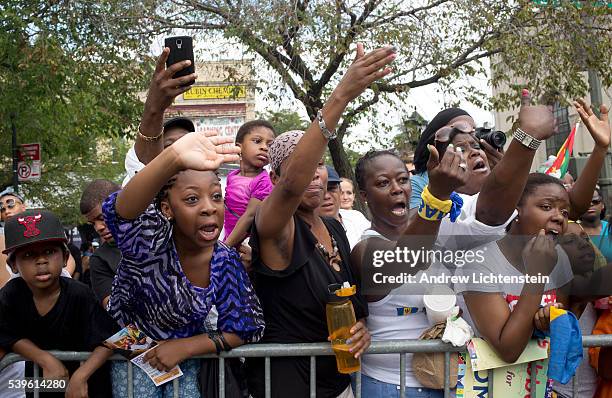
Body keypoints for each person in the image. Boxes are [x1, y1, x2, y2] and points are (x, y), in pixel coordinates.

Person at [245, 43, 396, 398]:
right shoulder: (274, 226)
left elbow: (352, 300)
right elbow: (292, 188)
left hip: (337, 383)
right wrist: (341, 94)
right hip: (288, 383)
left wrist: (361, 327)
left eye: (317, 165)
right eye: (299, 167)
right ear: (278, 179)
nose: (312, 175)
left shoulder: (333, 227)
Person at [103, 129, 264, 397]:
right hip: (129, 353)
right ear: (167, 209)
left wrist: (186, 347)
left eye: (216, 196)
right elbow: (120, 213)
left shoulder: (224, 260)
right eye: (191, 199)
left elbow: (245, 327)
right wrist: (174, 157)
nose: (209, 207)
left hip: (185, 361)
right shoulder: (148, 240)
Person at [350, 146, 468, 397]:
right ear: (364, 196)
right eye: (383, 183)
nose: (396, 188)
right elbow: (409, 258)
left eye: (403, 179)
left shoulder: (430, 229)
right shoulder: (364, 250)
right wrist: (437, 195)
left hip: (447, 384)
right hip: (390, 387)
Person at [457, 173, 575, 363]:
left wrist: (547, 321)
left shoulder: (560, 259)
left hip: (542, 386)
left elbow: (561, 326)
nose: (559, 218)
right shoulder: (477, 263)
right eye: (546, 207)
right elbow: (508, 350)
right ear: (517, 208)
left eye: (565, 212)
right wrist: (537, 274)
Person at [0, 209, 119, 398]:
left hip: (86, 387)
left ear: (64, 257)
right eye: (29, 255)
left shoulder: (80, 294)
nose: (41, 261)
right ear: (14, 264)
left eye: (49, 251)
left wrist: (80, 376)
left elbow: (111, 339)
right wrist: (44, 359)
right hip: (43, 386)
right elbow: (7, 334)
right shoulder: (11, 294)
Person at [122, 46, 197, 187]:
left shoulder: (210, 185)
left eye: (186, 143)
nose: (178, 150)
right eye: (169, 146)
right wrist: (154, 108)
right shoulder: (143, 197)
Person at [0, 190, 75, 287]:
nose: (6, 211)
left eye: (11, 204)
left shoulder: (44, 225)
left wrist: (53, 284)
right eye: (2, 208)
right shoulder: (2, 237)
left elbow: (70, 261)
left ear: (23, 206)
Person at [223, 120, 275, 247]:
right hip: (226, 236)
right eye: (257, 141)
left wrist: (225, 247)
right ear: (239, 147)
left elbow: (250, 216)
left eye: (270, 144)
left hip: (246, 243)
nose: (264, 147)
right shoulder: (232, 176)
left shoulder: (263, 182)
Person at [79, 179, 122, 308]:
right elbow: (114, 310)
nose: (98, 227)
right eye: (93, 223)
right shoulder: (99, 260)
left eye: (102, 218)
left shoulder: (156, 235)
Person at [320, 167, 370, 249]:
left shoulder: (356, 217)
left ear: (339, 191)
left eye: (331, 189)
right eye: (320, 190)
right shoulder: (304, 231)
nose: (326, 196)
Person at [580, 187, 612, 262]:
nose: (590, 204)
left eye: (595, 201)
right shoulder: (573, 231)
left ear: (602, 205)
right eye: (585, 202)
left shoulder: (610, 228)